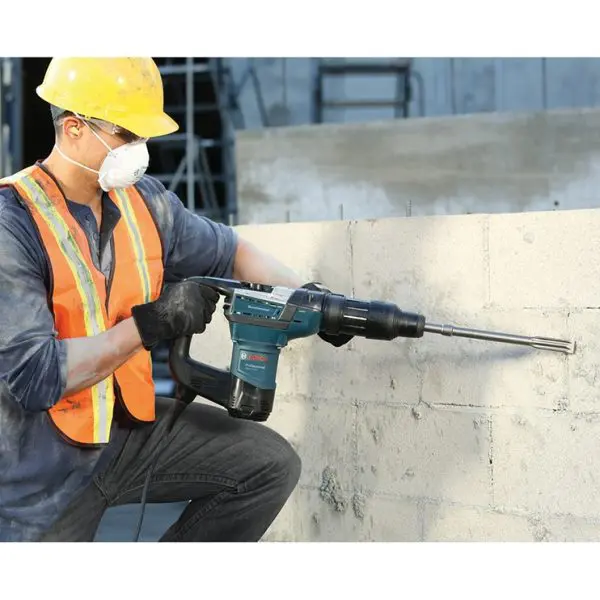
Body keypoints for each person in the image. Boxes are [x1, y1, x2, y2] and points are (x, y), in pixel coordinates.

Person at [0, 57, 351, 542]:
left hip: (124, 431)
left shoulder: (145, 203)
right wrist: (151, 323)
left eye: (144, 135)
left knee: (267, 465)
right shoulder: (12, 223)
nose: (140, 149)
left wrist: (311, 300)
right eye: (127, 134)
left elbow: (232, 253)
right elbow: (36, 377)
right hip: (37, 468)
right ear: (75, 127)